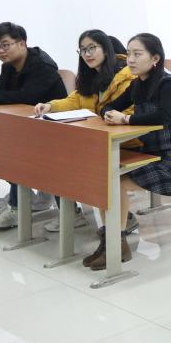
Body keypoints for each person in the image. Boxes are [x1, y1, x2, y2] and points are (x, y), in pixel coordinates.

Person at [67, 33, 171, 270]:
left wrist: (125, 119)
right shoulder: (137, 85)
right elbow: (109, 106)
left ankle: (116, 244)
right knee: (105, 180)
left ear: (155, 58)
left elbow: (161, 117)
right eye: (129, 53)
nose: (130, 60)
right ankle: (112, 242)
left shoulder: (168, 85)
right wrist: (109, 113)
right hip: (151, 153)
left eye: (137, 54)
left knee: (116, 184)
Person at [34, 30, 138, 233]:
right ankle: (115, 220)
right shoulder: (91, 78)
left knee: (84, 165)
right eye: (83, 50)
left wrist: (107, 119)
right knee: (59, 158)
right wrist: (51, 106)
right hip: (101, 140)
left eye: (92, 48)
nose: (87, 54)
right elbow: (74, 100)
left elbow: (130, 112)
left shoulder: (125, 76)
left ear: (106, 49)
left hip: (127, 141)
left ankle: (118, 225)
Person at [0, 22, 67, 228]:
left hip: (56, 129)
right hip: (28, 127)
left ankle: (19, 206)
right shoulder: (9, 66)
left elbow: (27, 96)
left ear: (22, 43)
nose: (0, 51)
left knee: (13, 153)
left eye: (5, 45)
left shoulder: (43, 66)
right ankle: (23, 200)